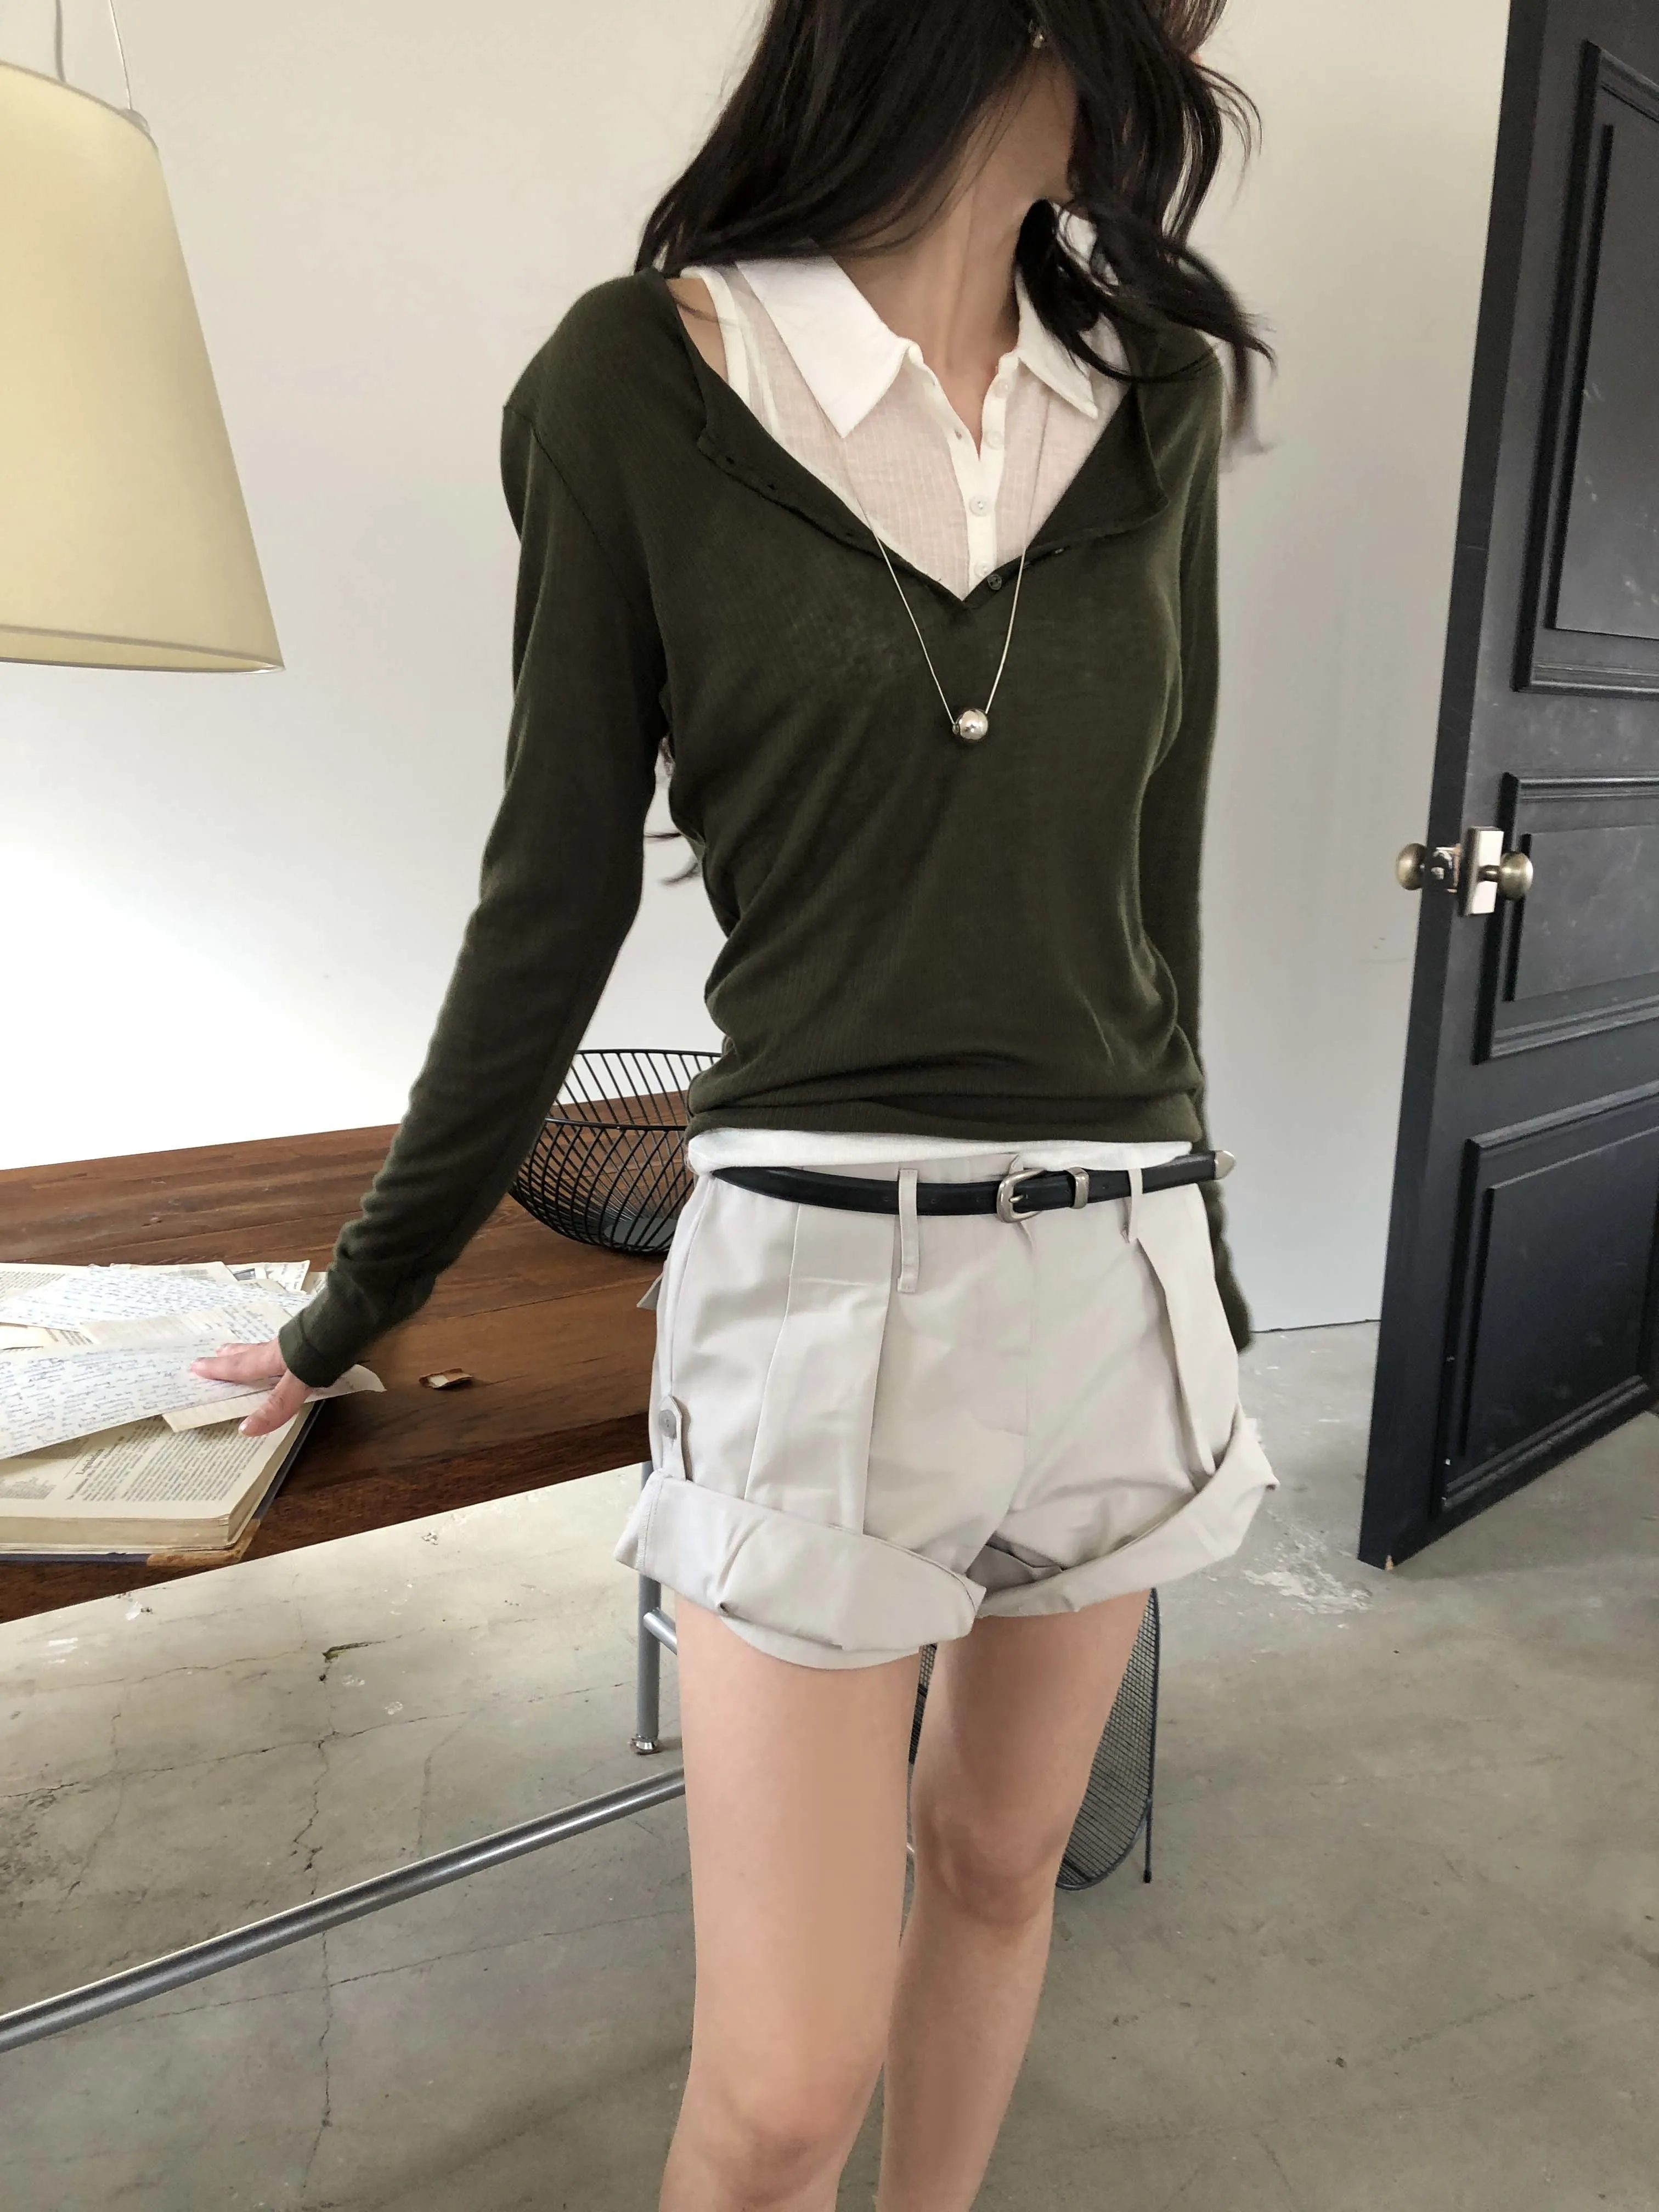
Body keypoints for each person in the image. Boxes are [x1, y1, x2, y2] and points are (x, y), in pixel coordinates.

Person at [196, 3, 1278, 2203]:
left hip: (1125, 1274)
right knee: (784, 2086)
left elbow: (1156, 886)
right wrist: (355, 1302)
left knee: (1004, 1866)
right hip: (817, 1286)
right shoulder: (638, 383)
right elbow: (551, 898)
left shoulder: (1156, 395)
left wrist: (1211, 1272)